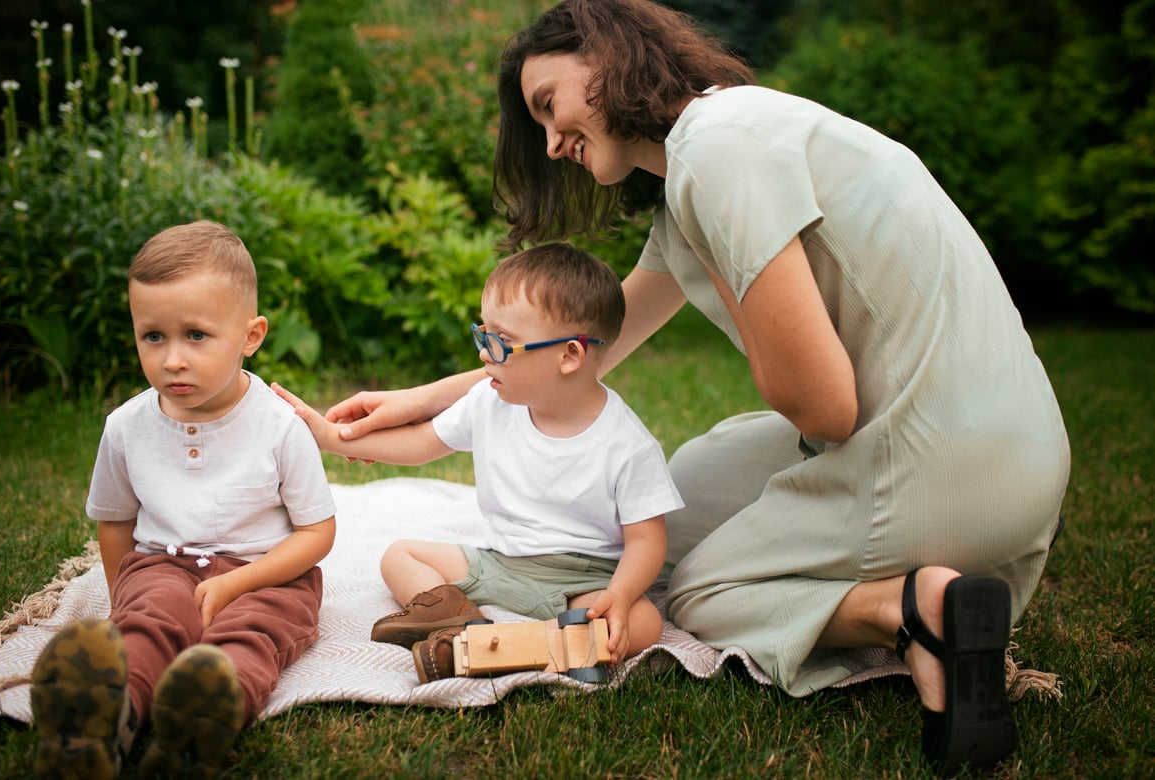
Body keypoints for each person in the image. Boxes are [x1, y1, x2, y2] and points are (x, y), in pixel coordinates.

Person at [323, 0, 1071, 774]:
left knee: (698, 593)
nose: (551, 144)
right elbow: (596, 344)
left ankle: (912, 608)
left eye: (551, 106)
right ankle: (926, 608)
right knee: (680, 499)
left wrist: (727, 257)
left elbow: (824, 405)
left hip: (940, 458)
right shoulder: (714, 152)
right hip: (993, 441)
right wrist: (424, 398)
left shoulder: (717, 152)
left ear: (608, 57)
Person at [273, 243, 682, 683]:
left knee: (642, 622)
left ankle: (525, 643)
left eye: (502, 342)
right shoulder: (490, 400)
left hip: (581, 579)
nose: (485, 354)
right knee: (400, 555)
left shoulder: (627, 444)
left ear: (569, 356)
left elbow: (646, 543)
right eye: (483, 334)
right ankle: (456, 623)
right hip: (500, 562)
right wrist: (331, 437)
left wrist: (618, 595)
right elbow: (422, 442)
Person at [30, 221, 337, 779]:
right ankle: (104, 714)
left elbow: (317, 534)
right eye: (153, 336)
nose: (172, 359)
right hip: (163, 562)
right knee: (150, 619)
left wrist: (237, 583)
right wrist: (125, 593)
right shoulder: (126, 427)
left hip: (266, 573)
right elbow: (116, 520)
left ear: (251, 335)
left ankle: (200, 717)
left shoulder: (277, 426)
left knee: (251, 632)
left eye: (196, 335)